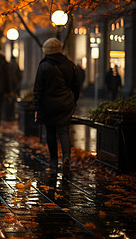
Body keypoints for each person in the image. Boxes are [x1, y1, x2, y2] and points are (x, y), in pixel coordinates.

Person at [33, 38, 80, 173]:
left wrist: (36, 106)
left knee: (51, 132)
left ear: (47, 52)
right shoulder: (70, 65)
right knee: (64, 131)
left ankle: (54, 161)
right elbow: (76, 86)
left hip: (48, 105)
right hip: (65, 103)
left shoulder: (44, 66)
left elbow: (38, 88)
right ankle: (66, 157)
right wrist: (73, 101)